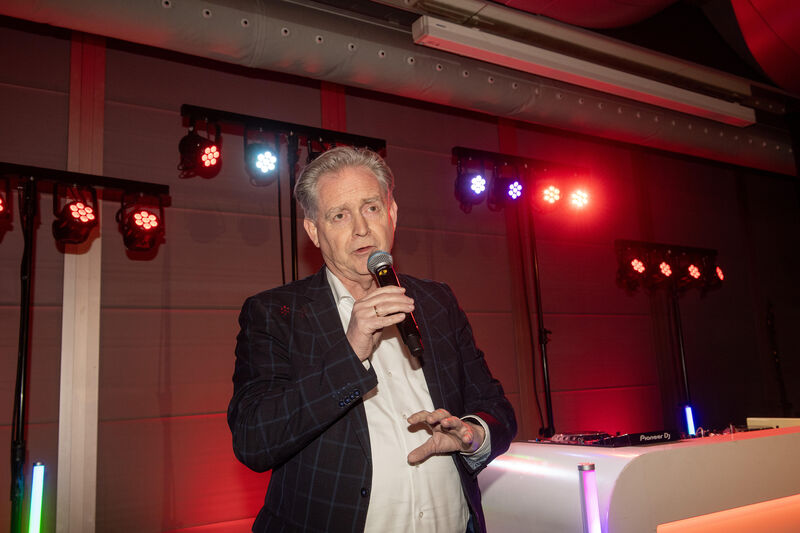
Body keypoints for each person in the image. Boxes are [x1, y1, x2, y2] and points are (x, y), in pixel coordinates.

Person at [228, 146, 517, 533]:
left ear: (392, 213)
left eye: (372, 208)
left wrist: (472, 433)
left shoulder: (437, 301)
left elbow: (497, 409)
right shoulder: (275, 314)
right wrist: (350, 352)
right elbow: (255, 440)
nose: (361, 228)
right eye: (340, 215)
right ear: (314, 231)